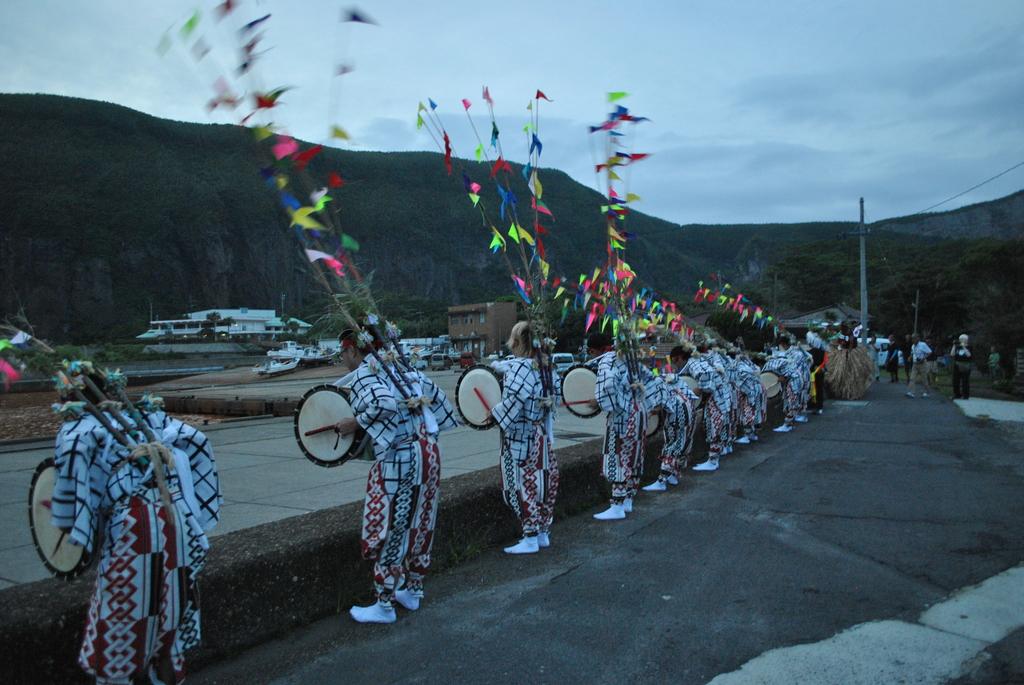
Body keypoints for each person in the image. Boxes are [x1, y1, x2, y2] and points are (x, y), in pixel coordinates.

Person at [52, 369, 220, 685]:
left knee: (122, 611)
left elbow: (70, 483)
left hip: (134, 525)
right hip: (176, 518)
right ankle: (167, 674)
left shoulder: (82, 429)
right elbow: (199, 440)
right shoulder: (148, 418)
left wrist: (73, 532)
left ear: (70, 396)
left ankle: (116, 677)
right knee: (170, 607)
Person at [337, 329, 458, 623]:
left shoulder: (367, 374)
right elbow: (440, 401)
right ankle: (413, 591)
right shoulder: (404, 368)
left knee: (392, 527)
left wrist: (355, 422)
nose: (342, 359)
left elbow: (383, 404)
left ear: (354, 350)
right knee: (422, 521)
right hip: (429, 451)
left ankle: (385, 603)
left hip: (401, 458)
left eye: (343, 353)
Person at [490, 321, 560, 554]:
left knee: (520, 485)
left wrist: (493, 416)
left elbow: (514, 400)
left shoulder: (520, 368)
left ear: (518, 342)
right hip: (540, 434)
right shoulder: (546, 367)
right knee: (542, 483)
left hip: (522, 436)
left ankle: (530, 536)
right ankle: (542, 532)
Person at [588, 332, 654, 520]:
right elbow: (651, 379)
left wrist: (598, 402)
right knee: (633, 457)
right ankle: (628, 500)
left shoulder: (608, 360)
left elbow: (607, 386)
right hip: (639, 411)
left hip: (621, 416)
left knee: (616, 457)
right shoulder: (632, 359)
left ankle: (617, 505)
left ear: (595, 350)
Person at [642, 346, 700, 492]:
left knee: (672, 444)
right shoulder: (672, 377)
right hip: (688, 408)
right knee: (682, 443)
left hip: (678, 412)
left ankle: (662, 480)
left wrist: (652, 412)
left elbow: (658, 404)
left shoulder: (653, 383)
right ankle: (673, 475)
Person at [678, 342, 731, 471]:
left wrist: (700, 389)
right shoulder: (699, 360)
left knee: (714, 426)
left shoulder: (693, 363)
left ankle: (713, 461)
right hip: (721, 395)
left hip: (716, 397)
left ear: (677, 358)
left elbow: (706, 374)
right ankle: (717, 455)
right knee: (717, 425)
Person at [906, 333, 932, 398]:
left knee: (924, 379)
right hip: (915, 364)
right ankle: (911, 392)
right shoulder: (913, 346)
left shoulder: (923, 344)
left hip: (922, 364)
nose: (913, 340)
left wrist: (923, 358)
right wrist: (910, 357)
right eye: (912, 338)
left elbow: (929, 352)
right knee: (912, 378)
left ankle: (927, 392)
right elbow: (912, 353)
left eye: (914, 338)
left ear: (918, 338)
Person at [950, 334, 972, 399]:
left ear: (966, 340)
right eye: (960, 339)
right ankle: (957, 394)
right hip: (957, 364)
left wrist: (964, 347)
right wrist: (954, 346)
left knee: (965, 381)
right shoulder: (957, 347)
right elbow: (952, 354)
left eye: (962, 339)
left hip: (966, 365)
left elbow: (969, 355)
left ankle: (965, 395)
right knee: (955, 380)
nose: (961, 340)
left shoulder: (969, 347)